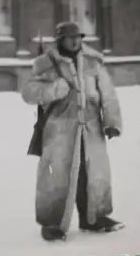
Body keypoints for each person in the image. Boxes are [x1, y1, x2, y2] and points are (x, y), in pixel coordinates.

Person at [21, 22, 124, 241]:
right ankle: (51, 224)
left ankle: (96, 218)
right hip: (59, 131)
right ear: (61, 40)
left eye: (78, 37)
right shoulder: (47, 63)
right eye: (70, 38)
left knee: (94, 174)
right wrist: (54, 88)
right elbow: (29, 92)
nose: (76, 41)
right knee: (57, 178)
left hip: (91, 128)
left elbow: (107, 92)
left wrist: (112, 121)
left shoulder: (91, 62)